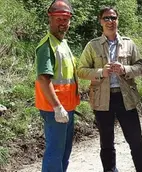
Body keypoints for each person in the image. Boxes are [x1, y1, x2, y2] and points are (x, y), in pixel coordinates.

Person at [77, 6, 142, 172]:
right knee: (106, 142)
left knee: (136, 140)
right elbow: (81, 70)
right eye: (106, 18)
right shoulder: (92, 46)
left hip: (126, 98)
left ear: (118, 20)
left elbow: (140, 67)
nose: (110, 21)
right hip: (102, 99)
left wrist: (125, 69)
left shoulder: (128, 44)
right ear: (100, 21)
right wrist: (102, 72)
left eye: (113, 18)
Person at [34, 0, 80, 171]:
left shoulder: (63, 44)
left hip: (66, 108)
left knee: (64, 153)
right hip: (55, 110)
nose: (63, 23)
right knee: (55, 153)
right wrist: (57, 107)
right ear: (50, 18)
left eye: (65, 19)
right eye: (59, 19)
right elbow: (44, 79)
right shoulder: (47, 46)